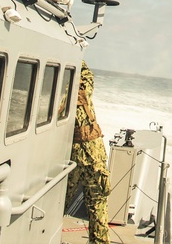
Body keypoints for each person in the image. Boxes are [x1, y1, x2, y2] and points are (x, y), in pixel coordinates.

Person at [66, 61, 111, 244]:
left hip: (75, 157)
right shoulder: (85, 90)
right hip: (93, 157)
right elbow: (88, 75)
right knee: (97, 206)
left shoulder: (61, 97)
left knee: (59, 201)